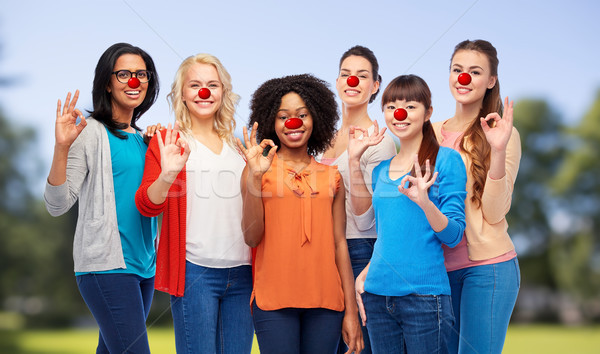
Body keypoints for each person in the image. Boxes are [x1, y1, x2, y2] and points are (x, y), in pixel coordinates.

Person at [44, 42, 160, 353]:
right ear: (107, 83)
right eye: (123, 74)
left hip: (144, 267)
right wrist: (62, 147)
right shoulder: (90, 133)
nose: (133, 81)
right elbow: (57, 204)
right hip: (106, 267)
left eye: (141, 74)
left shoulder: (147, 140)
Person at [135, 54, 254, 353]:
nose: (204, 92)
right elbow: (147, 205)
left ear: (223, 92)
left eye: (212, 85)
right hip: (194, 274)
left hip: (244, 275)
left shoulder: (240, 147)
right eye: (195, 85)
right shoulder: (166, 141)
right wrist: (167, 174)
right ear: (183, 94)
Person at [238, 74, 363, 354]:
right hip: (273, 300)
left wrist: (351, 311)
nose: (293, 123)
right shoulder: (257, 170)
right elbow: (251, 236)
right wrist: (255, 180)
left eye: (302, 115)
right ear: (272, 121)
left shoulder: (332, 176)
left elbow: (340, 243)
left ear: (315, 118)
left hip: (326, 302)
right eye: (283, 116)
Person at [350, 74, 467, 354]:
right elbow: (374, 227)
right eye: (391, 107)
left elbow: (453, 235)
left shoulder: (447, 160)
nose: (399, 113)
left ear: (428, 113)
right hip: (377, 297)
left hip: (424, 299)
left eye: (410, 106)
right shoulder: (380, 170)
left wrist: (425, 202)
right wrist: (354, 160)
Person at [432, 39, 521, 354]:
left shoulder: (502, 133)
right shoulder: (428, 131)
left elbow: (496, 212)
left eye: (474, 71)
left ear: (491, 81)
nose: (463, 78)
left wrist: (497, 150)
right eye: (457, 69)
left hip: (487, 268)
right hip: (437, 270)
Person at [319, 45, 397, 354]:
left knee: (357, 345)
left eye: (362, 76)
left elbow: (370, 218)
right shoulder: (323, 138)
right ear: (337, 82)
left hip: (359, 249)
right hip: (324, 253)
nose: (352, 81)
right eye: (346, 75)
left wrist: (353, 162)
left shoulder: (380, 141)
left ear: (375, 85)